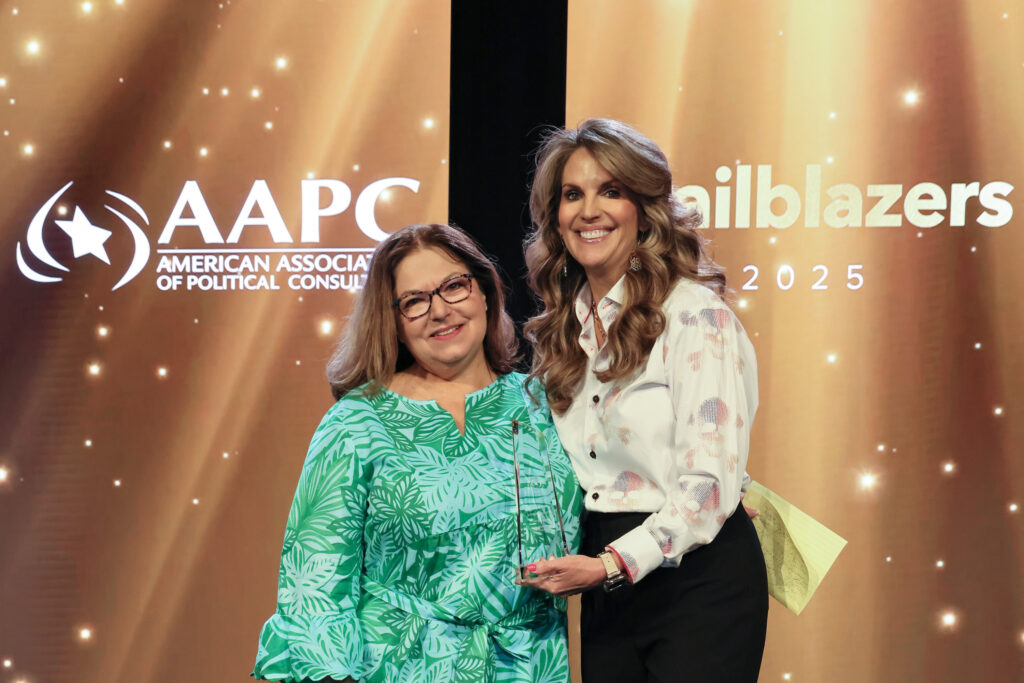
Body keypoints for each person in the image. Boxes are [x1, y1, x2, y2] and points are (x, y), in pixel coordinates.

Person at [252, 223, 583, 683]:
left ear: (484, 291)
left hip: (530, 665)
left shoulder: (548, 403)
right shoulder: (358, 421)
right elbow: (316, 580)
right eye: (414, 301)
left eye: (453, 286)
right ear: (393, 322)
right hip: (397, 668)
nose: (440, 311)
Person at [519, 118, 769, 682]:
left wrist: (610, 564)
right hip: (604, 580)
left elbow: (707, 486)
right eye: (572, 194)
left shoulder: (696, 315)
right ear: (554, 217)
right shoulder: (563, 331)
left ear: (645, 208)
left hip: (698, 578)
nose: (589, 210)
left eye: (611, 191)